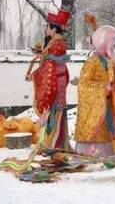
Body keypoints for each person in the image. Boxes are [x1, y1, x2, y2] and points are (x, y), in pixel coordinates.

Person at [75, 25, 115, 157]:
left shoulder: (109, 61)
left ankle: (108, 153)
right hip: (96, 104)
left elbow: (113, 77)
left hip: (107, 103)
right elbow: (83, 83)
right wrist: (103, 87)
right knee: (98, 129)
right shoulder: (92, 61)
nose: (112, 45)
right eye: (110, 41)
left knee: (108, 127)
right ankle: (91, 154)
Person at [27, 8, 71, 151]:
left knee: (55, 108)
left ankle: (54, 143)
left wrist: (35, 75)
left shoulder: (56, 44)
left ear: (53, 29)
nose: (46, 29)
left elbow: (50, 64)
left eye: (47, 27)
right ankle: (54, 142)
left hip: (56, 80)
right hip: (58, 78)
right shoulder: (56, 42)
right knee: (55, 109)